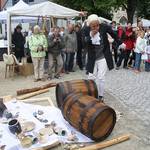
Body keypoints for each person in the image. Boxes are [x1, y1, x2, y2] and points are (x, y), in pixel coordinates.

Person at [85, 14, 119, 101]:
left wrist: (120, 42)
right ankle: (91, 94)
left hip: (103, 56)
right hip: (92, 58)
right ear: (90, 25)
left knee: (101, 77)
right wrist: (91, 35)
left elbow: (113, 33)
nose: (96, 27)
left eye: (97, 25)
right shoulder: (86, 29)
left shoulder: (104, 27)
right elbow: (84, 41)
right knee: (91, 76)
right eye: (93, 26)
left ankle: (100, 96)